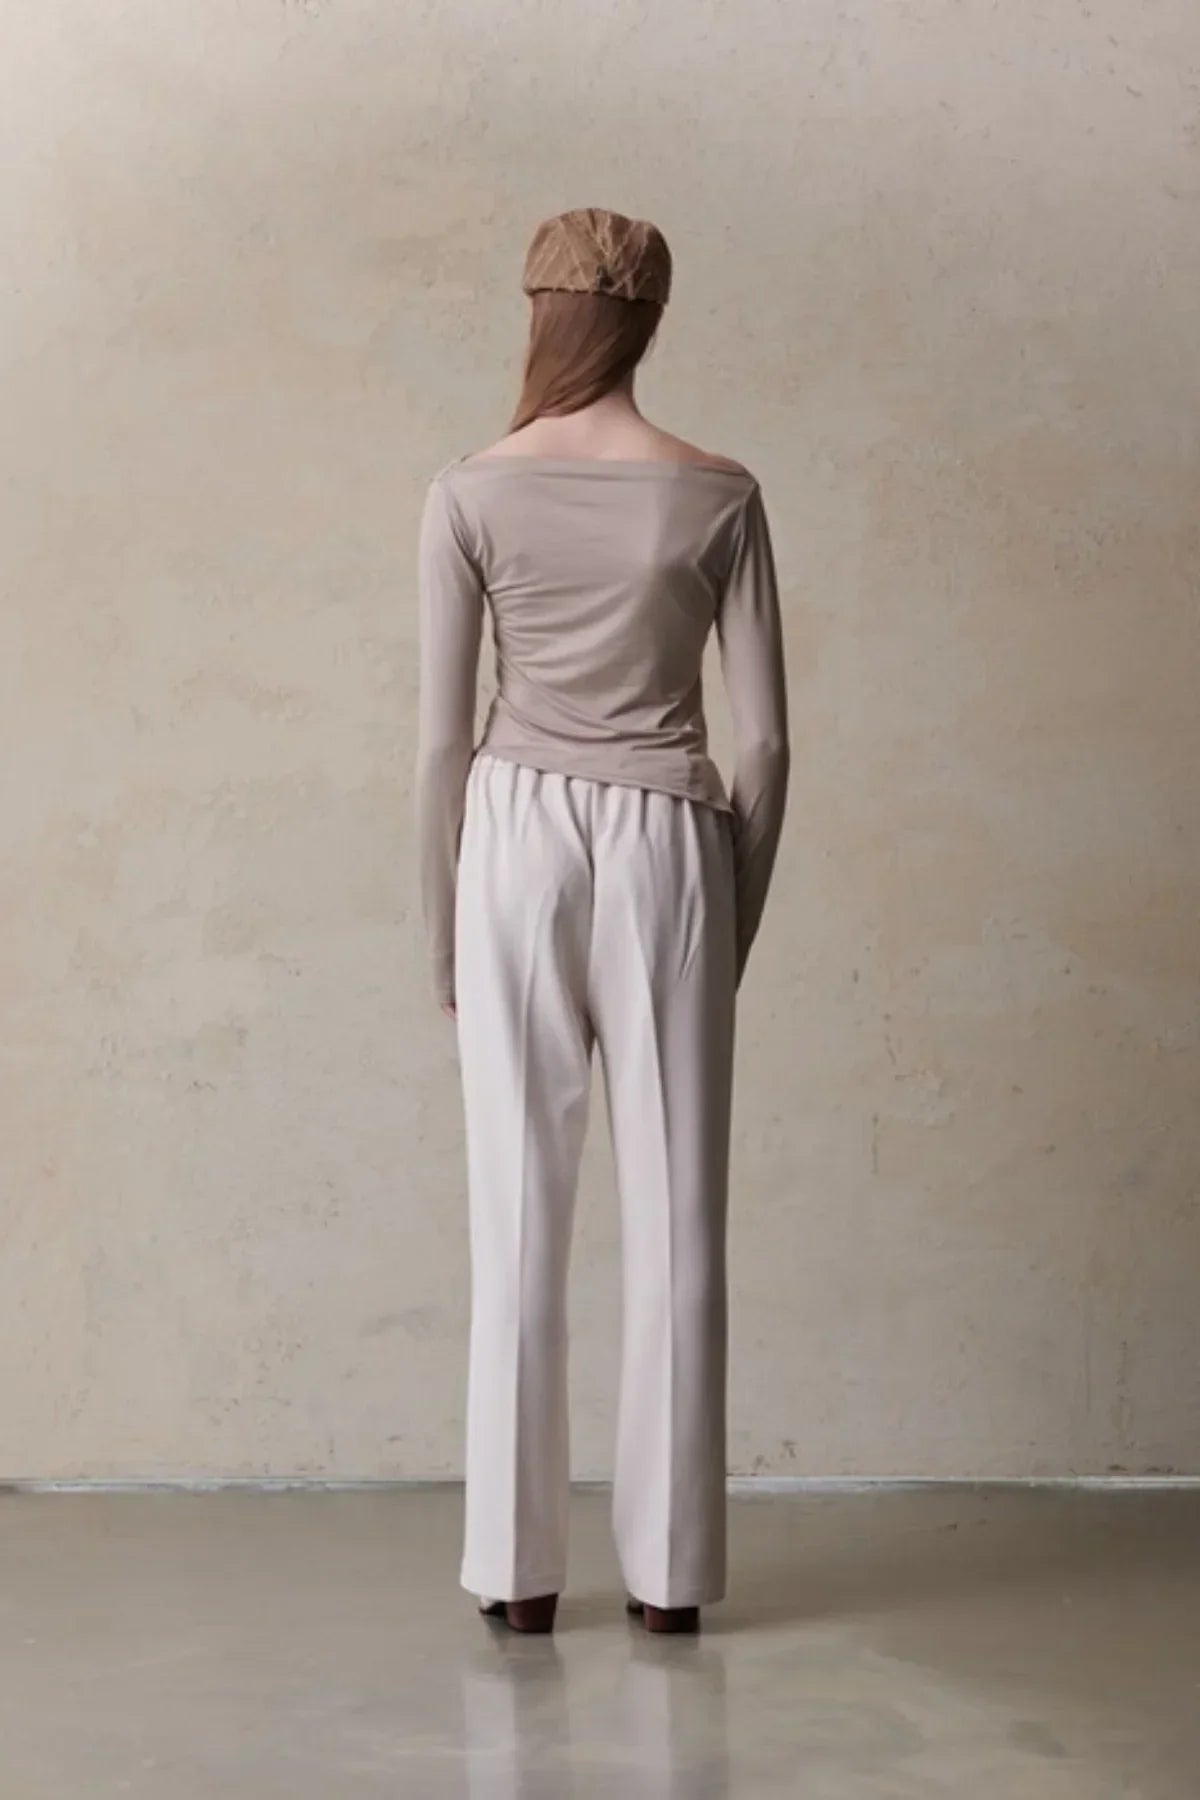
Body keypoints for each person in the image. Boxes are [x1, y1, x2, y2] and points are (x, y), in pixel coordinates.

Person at [415, 207, 790, 1635]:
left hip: (508, 835)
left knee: (517, 1209)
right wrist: (730, 917)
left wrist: (444, 927)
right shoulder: (719, 493)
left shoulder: (467, 488)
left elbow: (440, 743)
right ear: (651, 317)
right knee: (681, 1219)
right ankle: (674, 1583)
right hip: (672, 841)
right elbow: (766, 749)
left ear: (538, 310)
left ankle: (516, 1580)